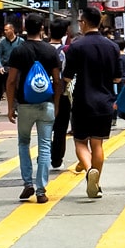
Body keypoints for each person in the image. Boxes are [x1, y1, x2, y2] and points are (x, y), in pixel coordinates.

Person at [64, 5, 123, 199]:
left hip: (82, 100)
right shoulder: (113, 47)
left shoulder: (77, 46)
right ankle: (95, 184)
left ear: (84, 22)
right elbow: (116, 78)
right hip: (105, 102)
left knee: (80, 142)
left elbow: (67, 77)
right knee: (97, 144)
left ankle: (89, 170)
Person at [6, 13, 62, 205]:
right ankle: (40, 190)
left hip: (25, 104)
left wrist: (10, 106)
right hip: (46, 104)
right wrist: (56, 104)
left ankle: (27, 182)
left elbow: (12, 80)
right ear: (42, 29)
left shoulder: (19, 51)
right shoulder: (50, 51)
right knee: (45, 145)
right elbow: (57, 80)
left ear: (24, 27)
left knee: (23, 142)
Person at [49, 20, 71, 169]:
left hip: (42, 92)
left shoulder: (42, 48)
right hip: (63, 92)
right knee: (60, 128)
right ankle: (57, 159)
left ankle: (44, 155)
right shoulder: (68, 50)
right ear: (65, 33)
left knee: (44, 127)